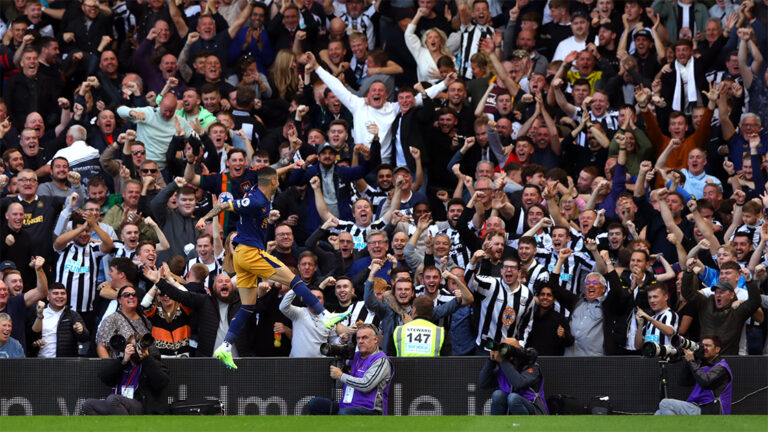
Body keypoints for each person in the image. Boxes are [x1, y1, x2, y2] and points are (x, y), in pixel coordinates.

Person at [195, 166, 349, 368]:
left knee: (248, 306)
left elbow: (268, 172)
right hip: (251, 252)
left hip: (242, 256)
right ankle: (325, 315)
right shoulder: (256, 200)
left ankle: (225, 346)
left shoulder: (258, 191)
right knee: (295, 280)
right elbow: (225, 205)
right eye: (277, 179)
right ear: (273, 182)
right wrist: (204, 218)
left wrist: (289, 166)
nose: (279, 181)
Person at [306, 324, 393, 415]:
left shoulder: (381, 360)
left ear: (375, 340)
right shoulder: (354, 356)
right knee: (314, 404)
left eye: (364, 338)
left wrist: (340, 375)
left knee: (345, 413)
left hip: (369, 409)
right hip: (347, 405)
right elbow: (338, 385)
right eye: (358, 338)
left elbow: (366, 385)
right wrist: (341, 349)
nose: (360, 341)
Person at [81, 335, 170, 415]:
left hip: (141, 405)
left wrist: (146, 359)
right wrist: (123, 361)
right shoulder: (124, 363)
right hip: (118, 404)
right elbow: (104, 377)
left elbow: (161, 383)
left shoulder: (151, 362)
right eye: (133, 347)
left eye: (138, 346)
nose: (136, 350)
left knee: (113, 400)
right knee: (88, 404)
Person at [655, 335, 732, 415]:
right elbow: (684, 382)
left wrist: (691, 361)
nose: (704, 348)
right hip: (698, 407)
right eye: (703, 345)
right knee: (658, 413)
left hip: (711, 410)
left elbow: (705, 382)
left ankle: (676, 427)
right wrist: (690, 358)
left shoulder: (722, 367)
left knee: (665, 403)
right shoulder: (703, 365)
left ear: (717, 349)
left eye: (708, 346)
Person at [477, 337, 548, 415]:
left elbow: (519, 383)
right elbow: (483, 384)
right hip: (510, 409)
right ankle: (497, 425)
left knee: (513, 398)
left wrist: (502, 361)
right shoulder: (503, 367)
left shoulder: (532, 367)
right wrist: (491, 361)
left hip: (533, 408)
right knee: (498, 395)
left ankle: (525, 426)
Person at [31, 283, 90, 358]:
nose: (60, 296)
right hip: (40, 361)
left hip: (66, 363)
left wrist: (81, 331)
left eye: (63, 293)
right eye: (55, 293)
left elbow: (85, 338)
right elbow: (29, 337)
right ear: (48, 297)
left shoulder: (73, 315)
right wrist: (35, 343)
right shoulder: (39, 313)